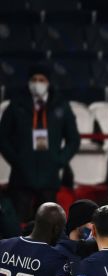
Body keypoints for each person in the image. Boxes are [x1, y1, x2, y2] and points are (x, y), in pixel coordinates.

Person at [0, 63, 79, 225]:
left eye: (41, 79)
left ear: (48, 82)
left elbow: (74, 139)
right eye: (34, 79)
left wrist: (59, 160)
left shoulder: (61, 106)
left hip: (49, 179)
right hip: (21, 179)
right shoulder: (16, 105)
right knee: (16, 227)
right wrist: (17, 160)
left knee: (47, 227)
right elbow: (2, 137)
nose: (37, 83)